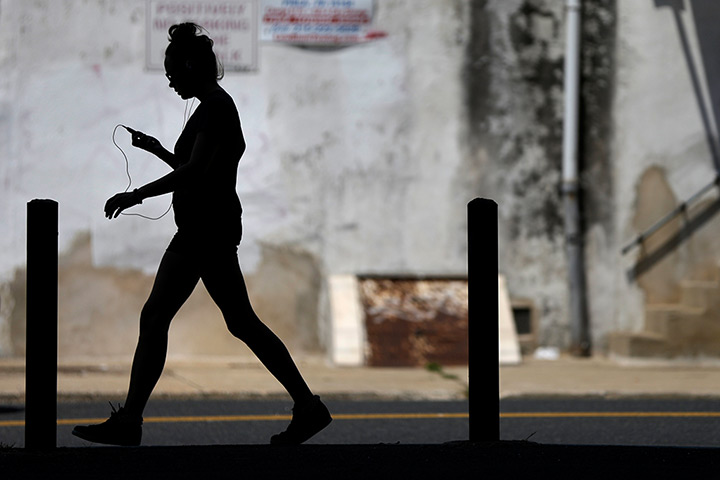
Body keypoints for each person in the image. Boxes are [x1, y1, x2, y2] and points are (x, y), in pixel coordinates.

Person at [72, 23, 331, 446]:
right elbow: (195, 166)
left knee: (159, 316)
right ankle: (308, 406)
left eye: (173, 70)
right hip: (207, 227)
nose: (170, 79)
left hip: (204, 230)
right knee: (240, 322)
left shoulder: (215, 107)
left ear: (193, 65)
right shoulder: (214, 107)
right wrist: (156, 149)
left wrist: (137, 194)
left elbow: (195, 172)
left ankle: (131, 420)